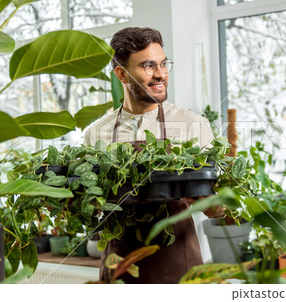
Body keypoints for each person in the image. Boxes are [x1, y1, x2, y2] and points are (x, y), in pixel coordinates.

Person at [84, 27, 216, 283]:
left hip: (178, 266)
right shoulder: (96, 134)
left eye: (163, 64)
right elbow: (93, 211)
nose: (161, 74)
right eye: (148, 66)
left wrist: (214, 205)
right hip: (119, 267)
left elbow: (216, 206)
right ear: (121, 73)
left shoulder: (192, 125)